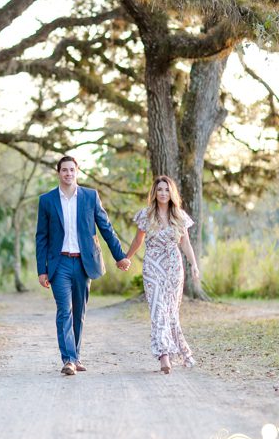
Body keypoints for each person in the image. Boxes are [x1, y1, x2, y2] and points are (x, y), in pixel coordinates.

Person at [35, 155, 130, 375]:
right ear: (58, 172)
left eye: (72, 170)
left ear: (77, 172)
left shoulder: (90, 197)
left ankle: (75, 357)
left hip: (83, 263)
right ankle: (68, 359)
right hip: (59, 265)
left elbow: (106, 228)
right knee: (64, 311)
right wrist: (42, 269)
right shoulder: (47, 200)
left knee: (79, 313)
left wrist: (120, 256)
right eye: (64, 170)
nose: (68, 174)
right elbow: (41, 237)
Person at [121, 175, 199, 373]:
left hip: (174, 267)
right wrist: (127, 257)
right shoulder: (146, 215)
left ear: (171, 193)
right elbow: (138, 241)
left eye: (166, 189)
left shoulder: (179, 216)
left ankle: (174, 351)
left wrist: (194, 265)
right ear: (154, 193)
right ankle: (164, 355)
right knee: (157, 309)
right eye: (160, 189)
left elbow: (185, 243)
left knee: (171, 312)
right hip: (153, 266)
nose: (163, 193)